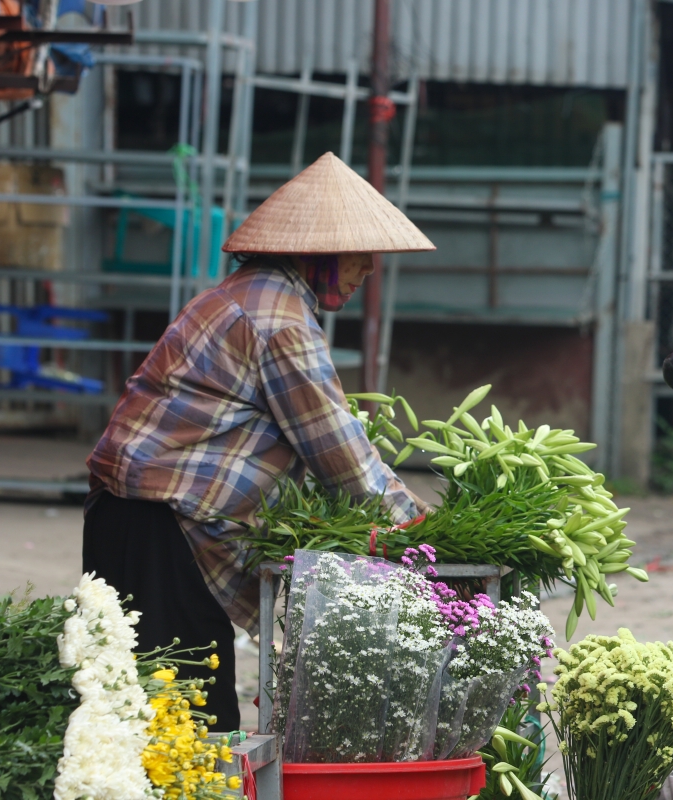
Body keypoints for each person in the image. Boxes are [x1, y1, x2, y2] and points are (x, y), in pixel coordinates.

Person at [83, 152, 436, 731]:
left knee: (149, 709)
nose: (369, 268)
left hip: (139, 519)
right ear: (315, 252)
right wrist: (423, 534)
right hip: (156, 525)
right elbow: (342, 458)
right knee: (183, 721)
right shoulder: (278, 320)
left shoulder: (252, 295)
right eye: (358, 253)